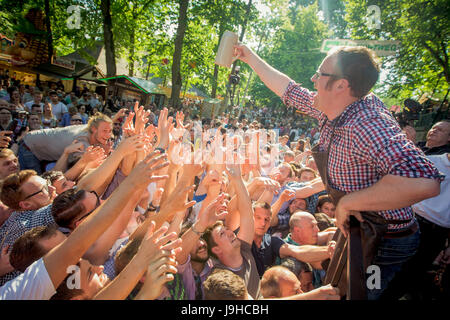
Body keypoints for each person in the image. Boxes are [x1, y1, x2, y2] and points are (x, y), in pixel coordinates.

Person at [234, 43, 443, 300]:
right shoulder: (331, 108)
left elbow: (425, 180)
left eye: (320, 74)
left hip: (385, 241)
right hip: (360, 231)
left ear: (341, 85)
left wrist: (351, 202)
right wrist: (249, 57)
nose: (312, 79)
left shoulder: (367, 123)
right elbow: (288, 90)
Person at [0, 170, 57, 285]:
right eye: (44, 189)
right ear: (25, 205)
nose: (52, 188)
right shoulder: (26, 223)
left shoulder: (15, 217)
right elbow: (78, 201)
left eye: (47, 182)